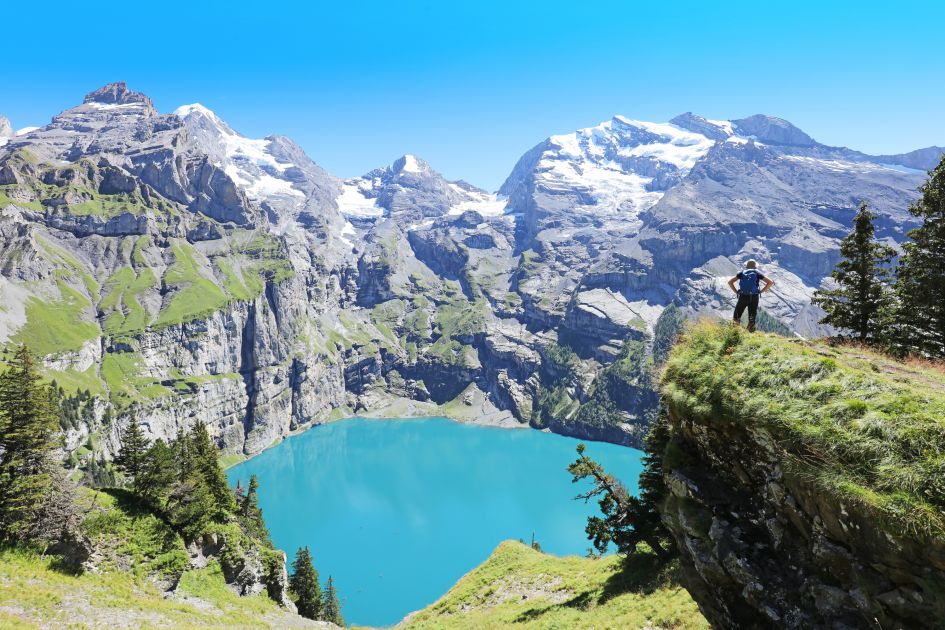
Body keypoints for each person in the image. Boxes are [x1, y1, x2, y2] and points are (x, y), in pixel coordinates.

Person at [727, 260, 773, 332]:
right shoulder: (757, 273)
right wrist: (761, 291)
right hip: (754, 297)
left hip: (743, 296)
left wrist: (736, 292)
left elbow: (730, 282)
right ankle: (750, 332)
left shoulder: (742, 273)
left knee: (737, 314)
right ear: (755, 266)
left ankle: (735, 332)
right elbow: (770, 282)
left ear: (746, 266)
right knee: (752, 316)